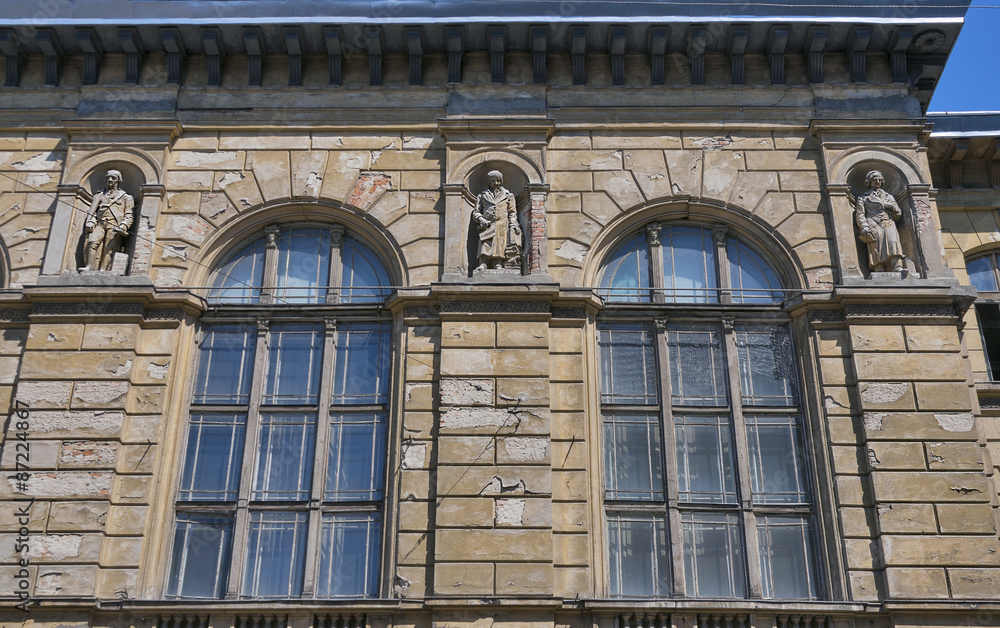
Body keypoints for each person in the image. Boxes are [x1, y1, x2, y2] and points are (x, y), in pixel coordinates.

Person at [82, 169, 134, 271]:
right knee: (92, 242)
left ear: (118, 180)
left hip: (114, 225)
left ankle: (103, 269)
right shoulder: (99, 195)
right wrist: (91, 221)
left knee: (109, 248)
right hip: (100, 223)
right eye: (107, 178)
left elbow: (129, 215)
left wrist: (123, 226)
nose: (110, 180)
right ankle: (89, 266)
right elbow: (92, 212)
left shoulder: (126, 197)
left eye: (113, 178)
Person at [855, 170, 904, 273]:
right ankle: (879, 268)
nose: (877, 181)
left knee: (893, 242)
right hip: (873, 222)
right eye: (874, 179)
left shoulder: (889, 197)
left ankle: (897, 266)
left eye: (879, 179)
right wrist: (864, 226)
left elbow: (898, 214)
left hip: (888, 221)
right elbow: (860, 214)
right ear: (869, 182)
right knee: (876, 247)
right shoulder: (863, 198)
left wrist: (891, 208)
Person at [472, 170, 521, 271]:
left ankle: (498, 263)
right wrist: (481, 219)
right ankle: (483, 263)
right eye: (493, 181)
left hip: (502, 223)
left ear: (501, 181)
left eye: (498, 181)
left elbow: (512, 212)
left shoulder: (508, 195)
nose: (495, 183)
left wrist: (513, 225)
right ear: (489, 181)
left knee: (500, 244)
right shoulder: (482, 195)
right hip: (487, 224)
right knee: (485, 243)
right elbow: (476, 212)